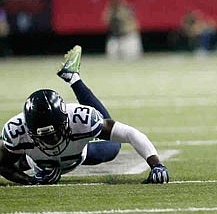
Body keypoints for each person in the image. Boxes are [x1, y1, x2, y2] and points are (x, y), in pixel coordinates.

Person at [0, 46, 169, 185]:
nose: (52, 142)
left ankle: (73, 78)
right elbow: (3, 165)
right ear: (28, 131)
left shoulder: (80, 119)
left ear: (66, 122)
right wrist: (31, 181)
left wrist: (156, 165)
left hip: (79, 155)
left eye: (54, 134)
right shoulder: (16, 132)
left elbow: (129, 133)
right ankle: (72, 76)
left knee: (113, 147)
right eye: (44, 137)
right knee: (12, 161)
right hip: (33, 161)